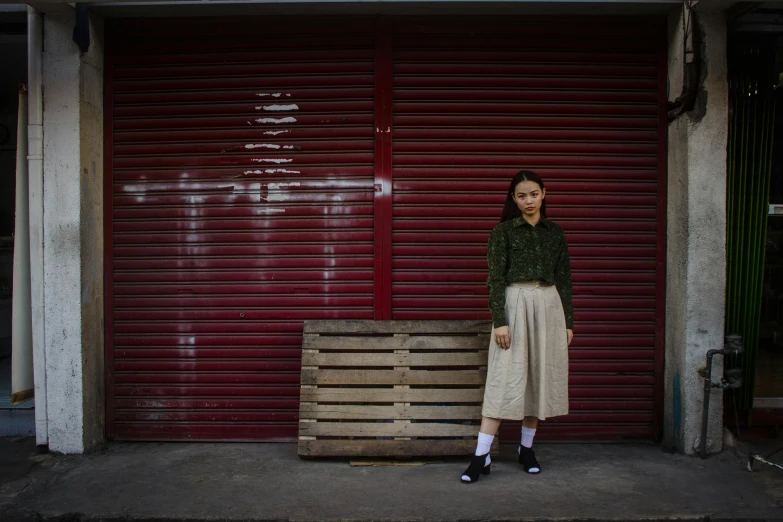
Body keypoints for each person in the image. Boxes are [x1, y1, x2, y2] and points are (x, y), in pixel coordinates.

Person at [461, 170, 574, 483]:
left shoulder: (555, 232)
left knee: (539, 375)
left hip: (549, 305)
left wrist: (568, 322)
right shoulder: (503, 232)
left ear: (544, 194)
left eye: (534, 194)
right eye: (522, 195)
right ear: (513, 198)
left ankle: (527, 449)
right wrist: (500, 320)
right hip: (514, 302)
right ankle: (480, 455)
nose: (529, 201)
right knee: (504, 378)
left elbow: (564, 278)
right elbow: (495, 279)